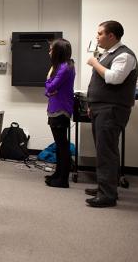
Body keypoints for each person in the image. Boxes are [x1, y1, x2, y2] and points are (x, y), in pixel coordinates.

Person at [85, 21, 138, 208]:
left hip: (112, 110)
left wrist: (94, 62)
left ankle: (107, 195)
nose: (97, 36)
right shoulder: (109, 54)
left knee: (106, 151)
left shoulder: (125, 55)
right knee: (104, 149)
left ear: (111, 36)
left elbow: (114, 78)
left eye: (100, 33)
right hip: (102, 108)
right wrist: (92, 104)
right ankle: (105, 187)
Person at [44, 38, 76, 188]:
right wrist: (50, 88)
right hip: (56, 108)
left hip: (60, 109)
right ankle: (58, 174)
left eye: (51, 49)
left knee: (62, 145)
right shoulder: (63, 66)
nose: (49, 52)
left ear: (58, 51)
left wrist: (48, 80)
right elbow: (49, 91)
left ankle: (63, 179)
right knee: (59, 145)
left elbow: (50, 87)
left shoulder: (64, 67)